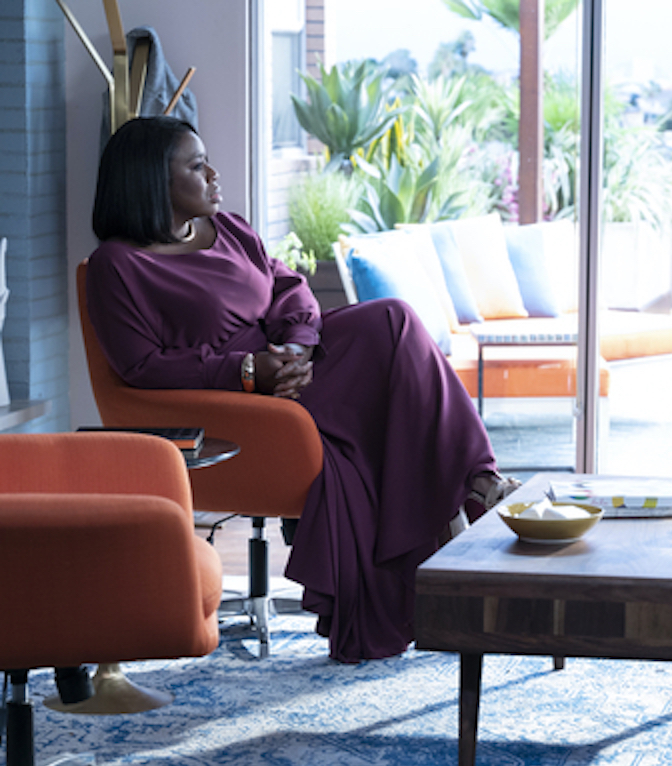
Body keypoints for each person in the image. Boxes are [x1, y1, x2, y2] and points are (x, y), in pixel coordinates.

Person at [86, 116, 518, 664]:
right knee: (386, 380)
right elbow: (141, 366)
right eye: (196, 167)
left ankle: (476, 478)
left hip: (299, 361)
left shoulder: (231, 228)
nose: (214, 175)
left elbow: (289, 288)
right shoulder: (117, 266)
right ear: (151, 182)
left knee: (393, 320)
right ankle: (460, 496)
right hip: (245, 401)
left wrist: (298, 345)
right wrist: (247, 371)